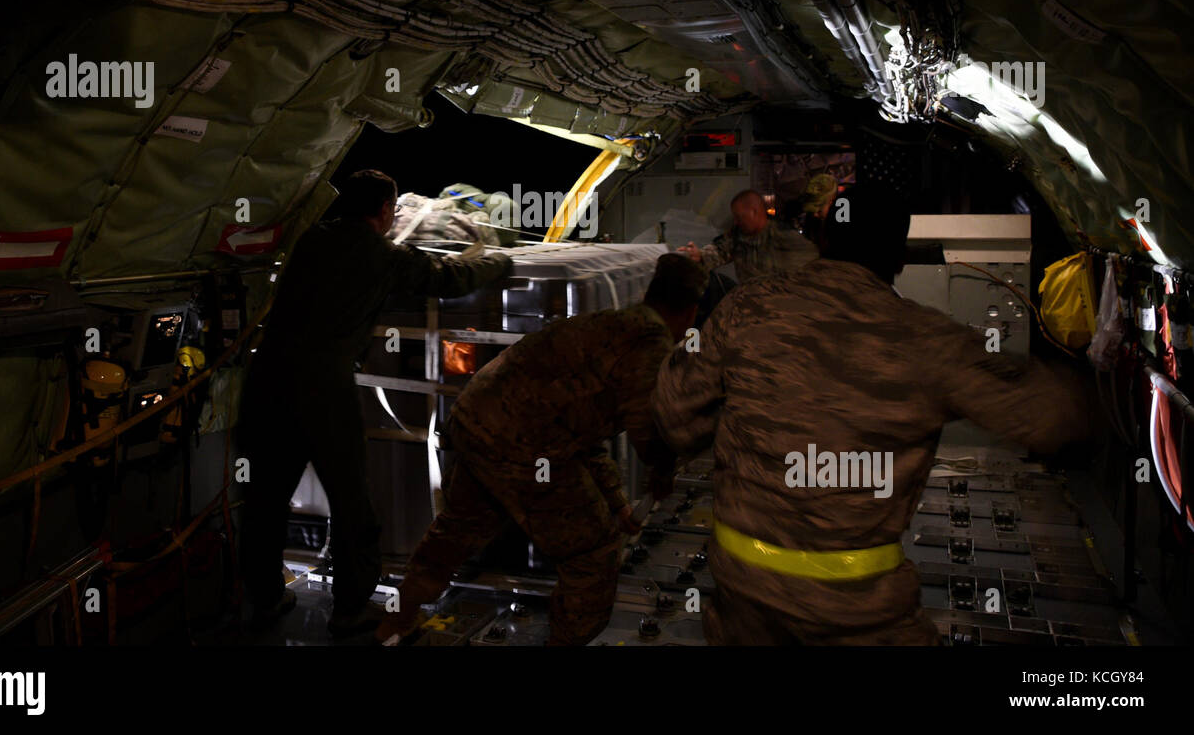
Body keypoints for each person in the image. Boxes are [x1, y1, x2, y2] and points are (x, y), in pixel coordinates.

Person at [653, 187, 1093, 645]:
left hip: (742, 606)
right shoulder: (928, 340)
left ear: (821, 242)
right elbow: (1054, 417)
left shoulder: (742, 308)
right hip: (857, 614)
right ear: (900, 258)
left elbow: (674, 415)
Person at [376, 253, 708, 645]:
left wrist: (617, 501)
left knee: (456, 532)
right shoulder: (648, 342)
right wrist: (663, 471)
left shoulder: (610, 323)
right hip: (522, 444)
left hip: (479, 422)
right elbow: (647, 432)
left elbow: (580, 432)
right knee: (594, 552)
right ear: (690, 312)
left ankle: (396, 620)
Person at [237, 169, 512, 632]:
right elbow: (449, 277)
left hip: (266, 381)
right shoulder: (380, 255)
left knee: (265, 498)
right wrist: (496, 261)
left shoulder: (309, 241)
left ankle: (263, 600)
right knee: (351, 501)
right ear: (385, 211)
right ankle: (349, 609)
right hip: (322, 390)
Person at [679, 188, 817, 284]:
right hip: (751, 302)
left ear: (754, 212)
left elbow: (811, 269)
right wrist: (700, 256)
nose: (736, 222)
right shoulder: (738, 235)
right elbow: (721, 251)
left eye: (739, 217)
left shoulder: (785, 236)